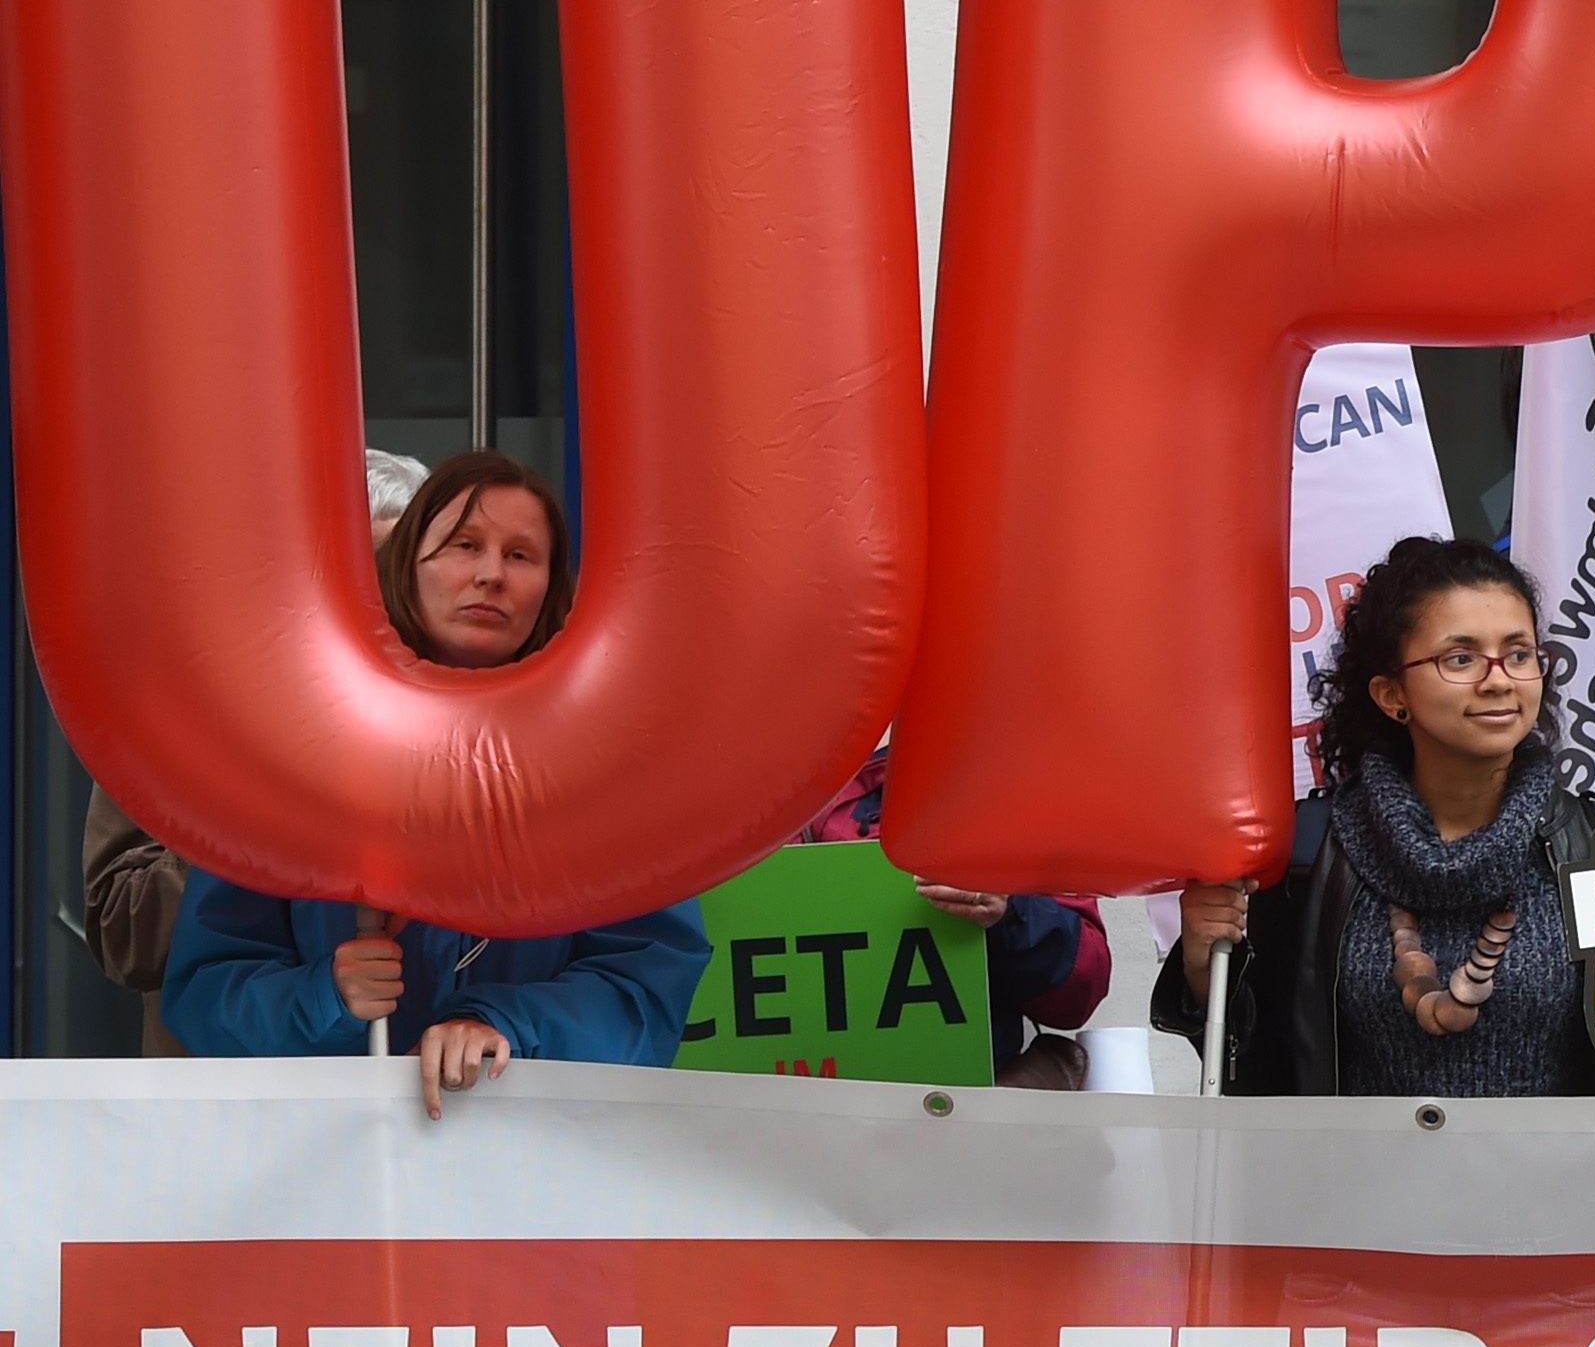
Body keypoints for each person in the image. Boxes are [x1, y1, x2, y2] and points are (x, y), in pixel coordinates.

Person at [163, 451, 708, 1117]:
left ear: (550, 586)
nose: (489, 575)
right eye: (463, 545)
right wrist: (322, 996)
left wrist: (502, 1024)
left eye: (521, 555)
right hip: (325, 1161)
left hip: (534, 1157)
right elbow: (205, 986)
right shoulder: (291, 749)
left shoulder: (608, 765)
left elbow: (646, 981)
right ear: (407, 567)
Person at [1162, 535, 1595, 1097]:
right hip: (1353, 1183)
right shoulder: (1306, 855)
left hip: (1574, 1186)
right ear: (1391, 695)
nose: (1500, 680)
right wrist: (1201, 964)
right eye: (1461, 658)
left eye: (1519, 653)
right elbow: (1250, 1061)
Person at [87, 449, 435, 1056]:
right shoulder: (180, 711)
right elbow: (123, 933)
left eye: (391, 573)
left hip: (427, 1097)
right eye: (348, 575)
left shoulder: (461, 713)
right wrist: (260, 835)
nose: (375, 606)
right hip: (234, 1105)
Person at [797, 749, 1113, 1088]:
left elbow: (1081, 991)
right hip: (801, 1107)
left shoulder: (1013, 787)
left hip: (962, 1107)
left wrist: (1008, 913)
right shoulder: (765, 792)